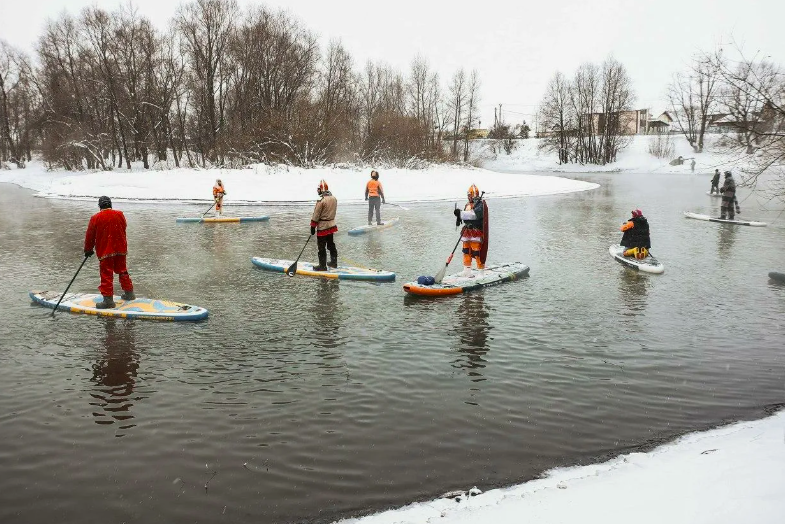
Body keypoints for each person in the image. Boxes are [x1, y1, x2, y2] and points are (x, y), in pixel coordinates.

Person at [84, 196, 135, 309]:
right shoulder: (120, 214)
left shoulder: (96, 218)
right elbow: (123, 227)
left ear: (100, 206)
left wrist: (88, 250)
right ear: (110, 204)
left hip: (106, 250)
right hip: (121, 248)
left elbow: (90, 236)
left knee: (106, 274)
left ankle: (108, 301)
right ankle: (129, 293)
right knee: (122, 271)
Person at [453, 184, 485, 277]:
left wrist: (461, 214)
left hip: (476, 231)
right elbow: (466, 215)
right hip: (467, 231)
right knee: (466, 250)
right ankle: (467, 270)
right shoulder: (468, 204)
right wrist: (459, 217)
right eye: (468, 195)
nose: (468, 197)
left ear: (474, 194)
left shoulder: (480, 204)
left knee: (477, 251)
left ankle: (481, 272)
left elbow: (473, 215)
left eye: (470, 195)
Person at [310, 179, 338, 271]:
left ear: (322, 189)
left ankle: (322, 266)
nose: (317, 190)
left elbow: (316, 214)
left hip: (323, 227)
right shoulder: (334, 198)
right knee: (331, 244)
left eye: (318, 189)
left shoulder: (321, 200)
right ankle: (334, 262)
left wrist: (313, 226)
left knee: (321, 247)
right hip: (331, 225)